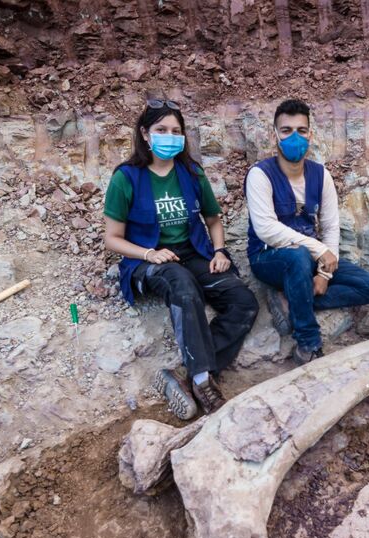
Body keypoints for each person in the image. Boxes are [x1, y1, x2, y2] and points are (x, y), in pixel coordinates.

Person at [103, 99, 258, 419]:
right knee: (183, 286)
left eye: (176, 131)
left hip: (191, 252)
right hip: (146, 259)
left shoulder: (191, 173)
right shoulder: (126, 177)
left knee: (244, 301)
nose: (169, 136)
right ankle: (203, 381)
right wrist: (149, 253)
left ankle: (186, 372)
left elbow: (213, 219)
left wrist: (218, 251)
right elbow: (112, 238)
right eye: (161, 130)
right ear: (145, 134)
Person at [246, 99, 369, 365]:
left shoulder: (321, 175)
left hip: (308, 260)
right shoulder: (260, 175)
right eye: (286, 130)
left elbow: (331, 226)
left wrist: (324, 273)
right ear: (275, 134)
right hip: (268, 257)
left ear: (310, 134)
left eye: (301, 130)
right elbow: (265, 229)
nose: (294, 137)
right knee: (296, 256)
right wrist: (320, 252)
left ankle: (290, 300)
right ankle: (308, 343)